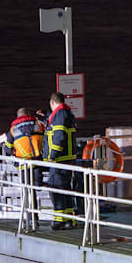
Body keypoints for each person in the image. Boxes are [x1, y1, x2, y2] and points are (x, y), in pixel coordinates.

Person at [43, 92, 78, 230]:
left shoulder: (59, 115)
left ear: (52, 102)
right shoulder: (66, 113)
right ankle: (69, 219)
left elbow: (59, 137)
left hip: (59, 159)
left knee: (55, 188)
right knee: (65, 188)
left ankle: (59, 220)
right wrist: (46, 116)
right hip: (67, 158)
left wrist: (52, 155)